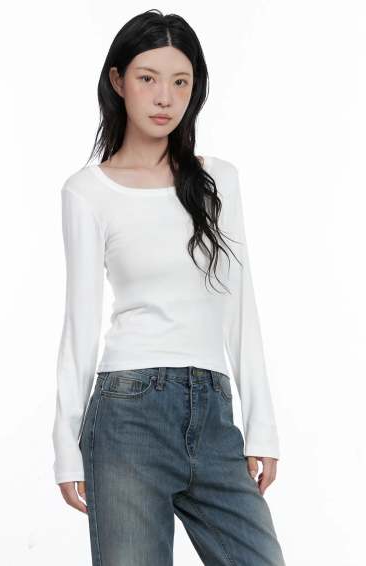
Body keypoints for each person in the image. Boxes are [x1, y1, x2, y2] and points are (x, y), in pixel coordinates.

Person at [52, 8, 286, 566]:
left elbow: (240, 305)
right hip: (127, 413)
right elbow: (80, 323)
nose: (165, 97)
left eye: (181, 82)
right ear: (118, 81)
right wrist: (65, 445)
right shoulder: (88, 192)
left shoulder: (217, 180)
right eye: (148, 78)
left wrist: (262, 426)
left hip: (213, 412)